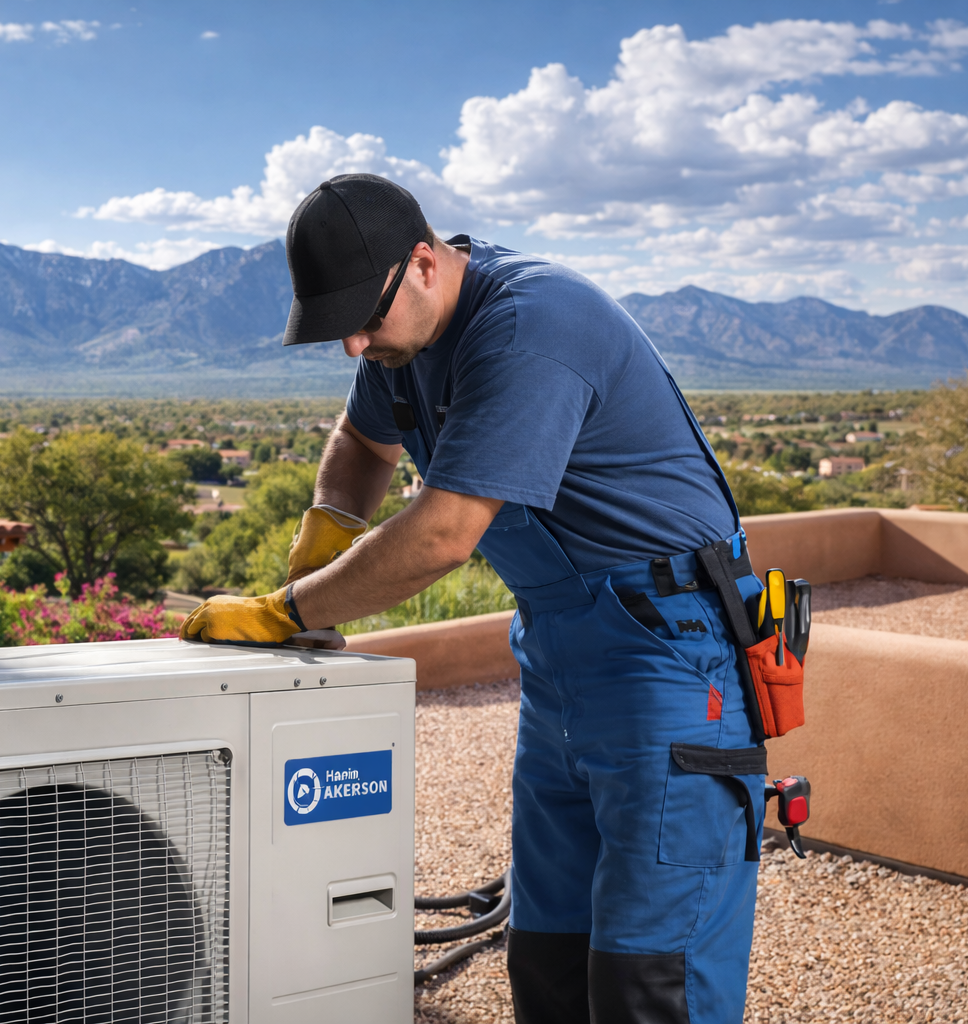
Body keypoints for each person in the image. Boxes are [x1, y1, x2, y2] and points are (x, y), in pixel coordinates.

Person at [180, 173, 768, 1024]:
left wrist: (291, 608)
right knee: (550, 961)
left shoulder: (530, 325)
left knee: (652, 981)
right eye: (339, 328)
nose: (353, 347)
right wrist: (331, 527)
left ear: (423, 263)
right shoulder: (405, 342)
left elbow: (446, 531)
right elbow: (362, 439)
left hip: (672, 659)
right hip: (561, 655)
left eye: (364, 319)